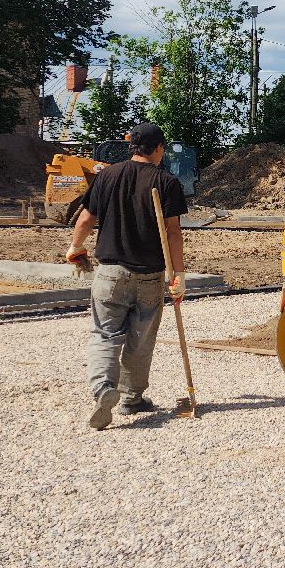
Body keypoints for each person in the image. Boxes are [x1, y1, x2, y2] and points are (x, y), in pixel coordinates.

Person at [64, 122, 187, 430]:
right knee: (141, 337)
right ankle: (131, 398)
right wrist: (179, 274)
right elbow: (173, 232)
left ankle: (104, 389)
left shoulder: (107, 176)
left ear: (132, 146)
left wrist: (75, 248)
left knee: (105, 334)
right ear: (158, 148)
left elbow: (85, 218)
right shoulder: (166, 181)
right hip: (149, 274)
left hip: (110, 273)